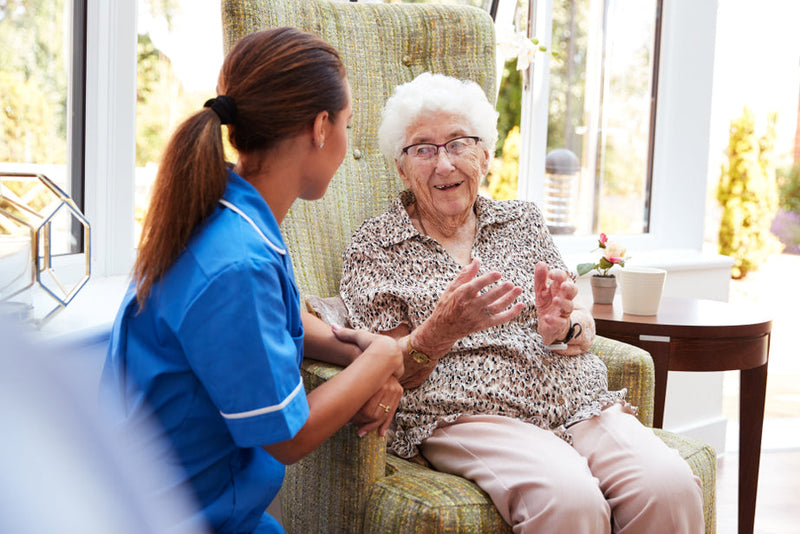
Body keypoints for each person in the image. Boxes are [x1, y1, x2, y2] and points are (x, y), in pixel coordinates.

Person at [339, 72, 704, 534]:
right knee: (570, 501)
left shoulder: (522, 221)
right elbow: (384, 367)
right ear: (402, 167)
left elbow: (579, 326)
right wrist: (440, 330)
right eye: (423, 149)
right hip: (469, 411)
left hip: (578, 401)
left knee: (669, 487)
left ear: (486, 155)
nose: (444, 164)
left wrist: (564, 328)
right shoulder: (377, 245)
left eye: (458, 144)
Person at [101, 28, 404, 534]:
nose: (349, 141)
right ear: (320, 128)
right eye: (348, 124)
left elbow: (271, 325)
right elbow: (289, 438)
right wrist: (383, 358)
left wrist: (356, 353)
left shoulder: (229, 216)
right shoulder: (237, 263)